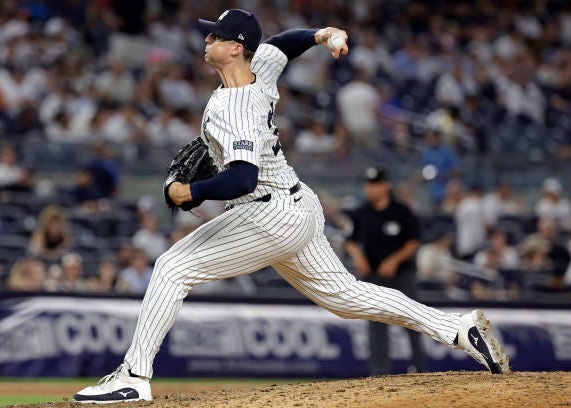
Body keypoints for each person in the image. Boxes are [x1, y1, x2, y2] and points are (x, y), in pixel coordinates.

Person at [74, 10, 509, 403]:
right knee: (346, 296)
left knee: (172, 267)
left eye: (215, 37)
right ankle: (455, 328)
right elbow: (282, 44)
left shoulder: (235, 105)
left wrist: (189, 193)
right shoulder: (256, 69)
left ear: (235, 48)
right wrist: (322, 34)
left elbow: (242, 177)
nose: (206, 42)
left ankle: (133, 375)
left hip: (268, 213)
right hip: (296, 206)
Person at [344, 166, 425, 375]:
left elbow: (414, 241)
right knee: (377, 326)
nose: (369, 189)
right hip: (373, 277)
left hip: (402, 276)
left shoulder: (401, 211)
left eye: (374, 184)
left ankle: (420, 369)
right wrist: (358, 257)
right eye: (368, 184)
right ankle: (380, 373)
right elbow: (350, 242)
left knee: (413, 321)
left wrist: (394, 260)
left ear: (385, 186)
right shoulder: (361, 213)